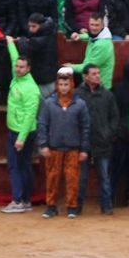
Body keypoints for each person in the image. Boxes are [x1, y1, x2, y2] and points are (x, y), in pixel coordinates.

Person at [36, 66, 90, 218]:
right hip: (54, 147)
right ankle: (51, 206)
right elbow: (42, 124)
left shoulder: (80, 104)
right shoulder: (48, 103)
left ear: (71, 84)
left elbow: (85, 127)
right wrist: (43, 144)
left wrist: (84, 149)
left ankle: (72, 206)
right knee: (52, 178)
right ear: (57, 85)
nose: (63, 87)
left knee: (72, 178)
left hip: (73, 148)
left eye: (66, 84)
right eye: (61, 84)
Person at [74, 62, 121, 216]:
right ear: (85, 76)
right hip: (84, 143)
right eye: (94, 74)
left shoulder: (107, 95)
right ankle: (77, 206)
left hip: (102, 141)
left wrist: (108, 133)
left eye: (98, 73)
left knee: (105, 177)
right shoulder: (78, 94)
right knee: (82, 178)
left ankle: (106, 206)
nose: (97, 76)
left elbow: (115, 117)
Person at [3, 53, 41, 213]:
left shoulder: (31, 89)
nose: (17, 69)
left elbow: (30, 114)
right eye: (17, 66)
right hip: (19, 129)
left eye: (21, 67)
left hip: (21, 132)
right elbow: (13, 57)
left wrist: (21, 138)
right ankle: (25, 200)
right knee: (24, 165)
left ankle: (18, 200)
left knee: (15, 166)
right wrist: (10, 42)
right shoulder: (18, 78)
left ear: (28, 69)